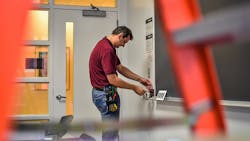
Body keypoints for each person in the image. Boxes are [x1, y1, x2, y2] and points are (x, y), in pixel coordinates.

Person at [89, 26, 153, 141]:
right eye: (124, 41)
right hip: (105, 95)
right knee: (111, 133)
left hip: (103, 93)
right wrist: (134, 88)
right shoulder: (107, 50)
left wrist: (140, 79)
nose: (123, 45)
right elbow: (113, 80)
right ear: (120, 36)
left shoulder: (106, 45)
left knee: (111, 130)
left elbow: (120, 68)